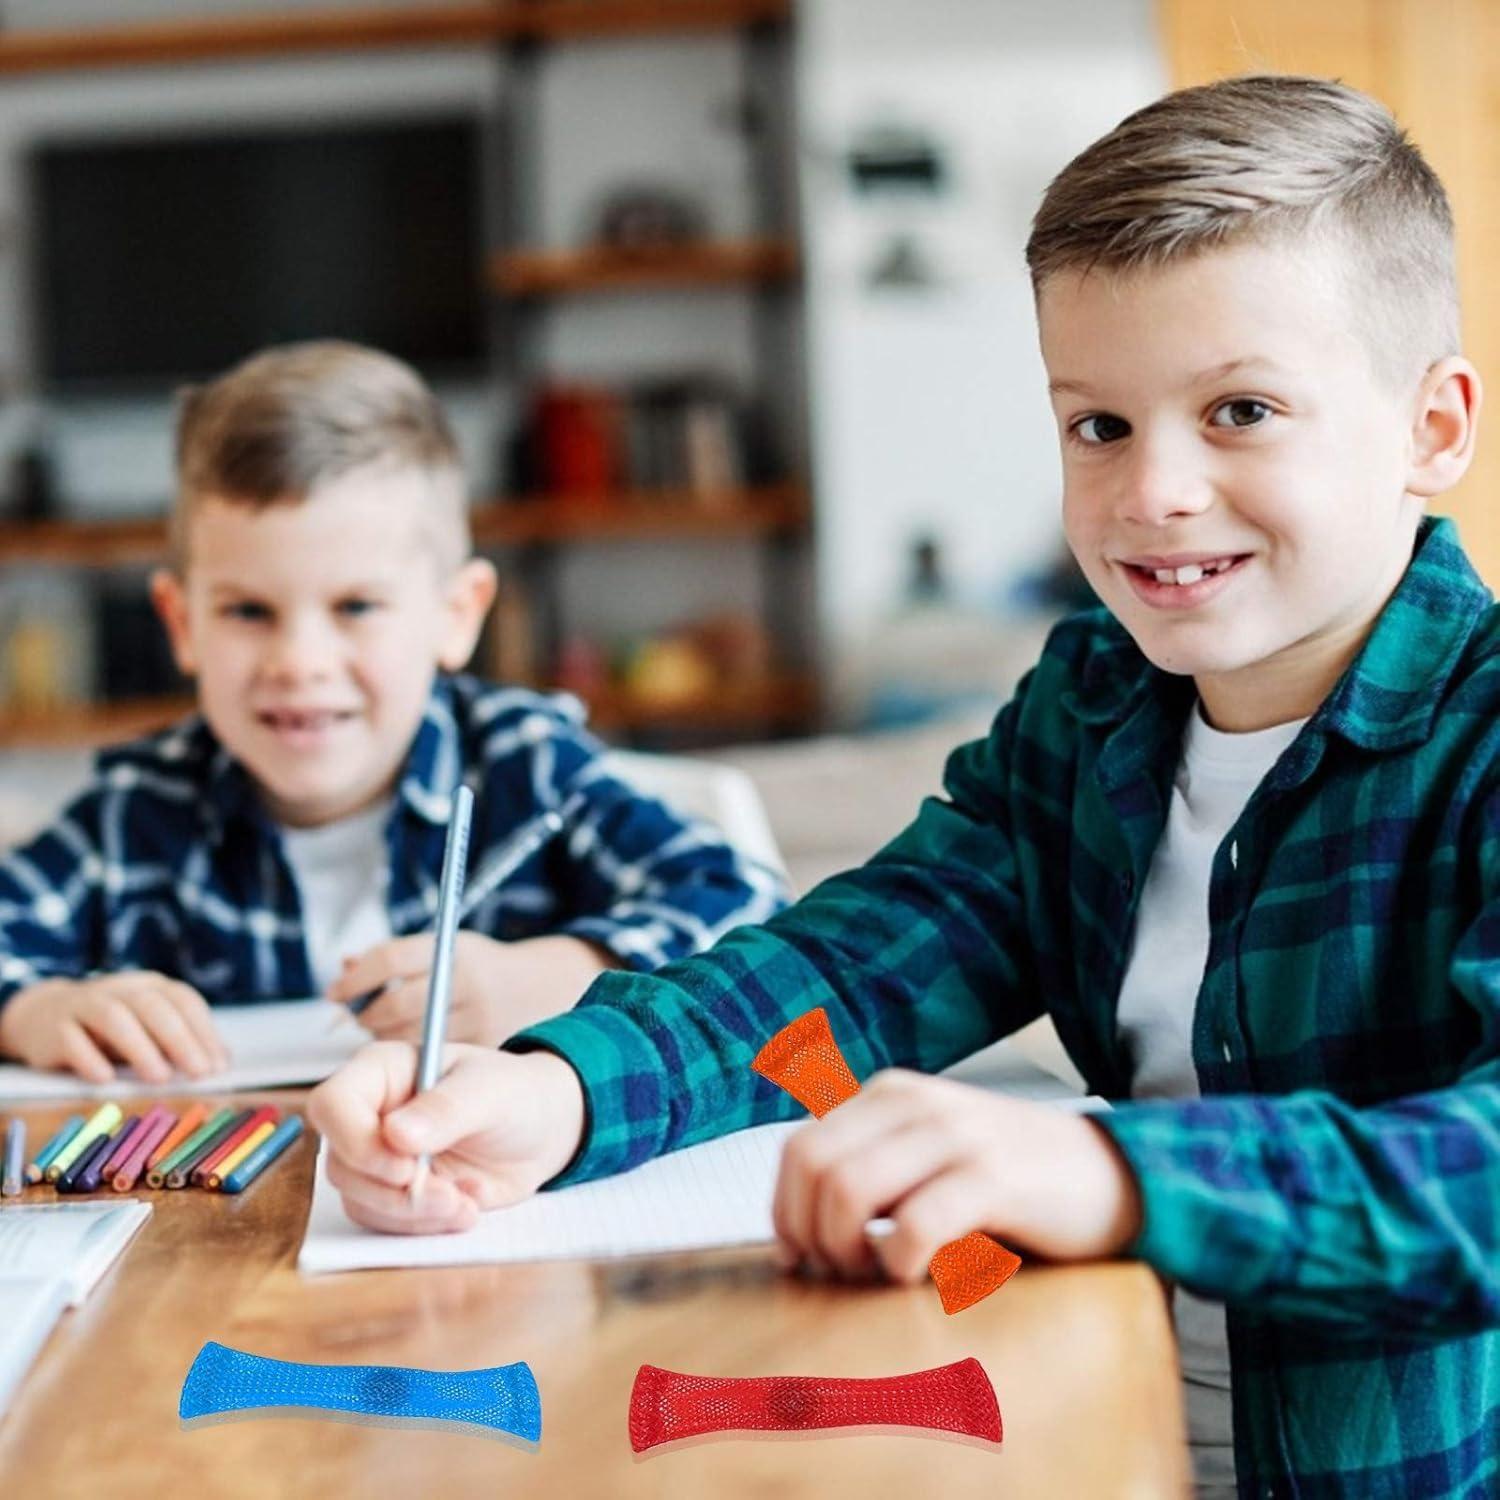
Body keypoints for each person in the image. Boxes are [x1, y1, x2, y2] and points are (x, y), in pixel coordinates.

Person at [309, 78, 1499, 1497]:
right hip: (1087, 1417)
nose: (1154, 491)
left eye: (1240, 410)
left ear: (1434, 428)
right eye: (1098, 425)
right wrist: (552, 1092)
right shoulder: (1090, 709)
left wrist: (1113, 1173)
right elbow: (851, 970)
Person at [0, 341, 786, 1086]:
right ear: (181, 624)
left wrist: (557, 971)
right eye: (248, 611)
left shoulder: (527, 765)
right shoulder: (140, 809)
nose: (299, 662)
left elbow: (756, 914)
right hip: (243, 1203)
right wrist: (40, 1010)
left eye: (356, 606)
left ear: (457, 614)